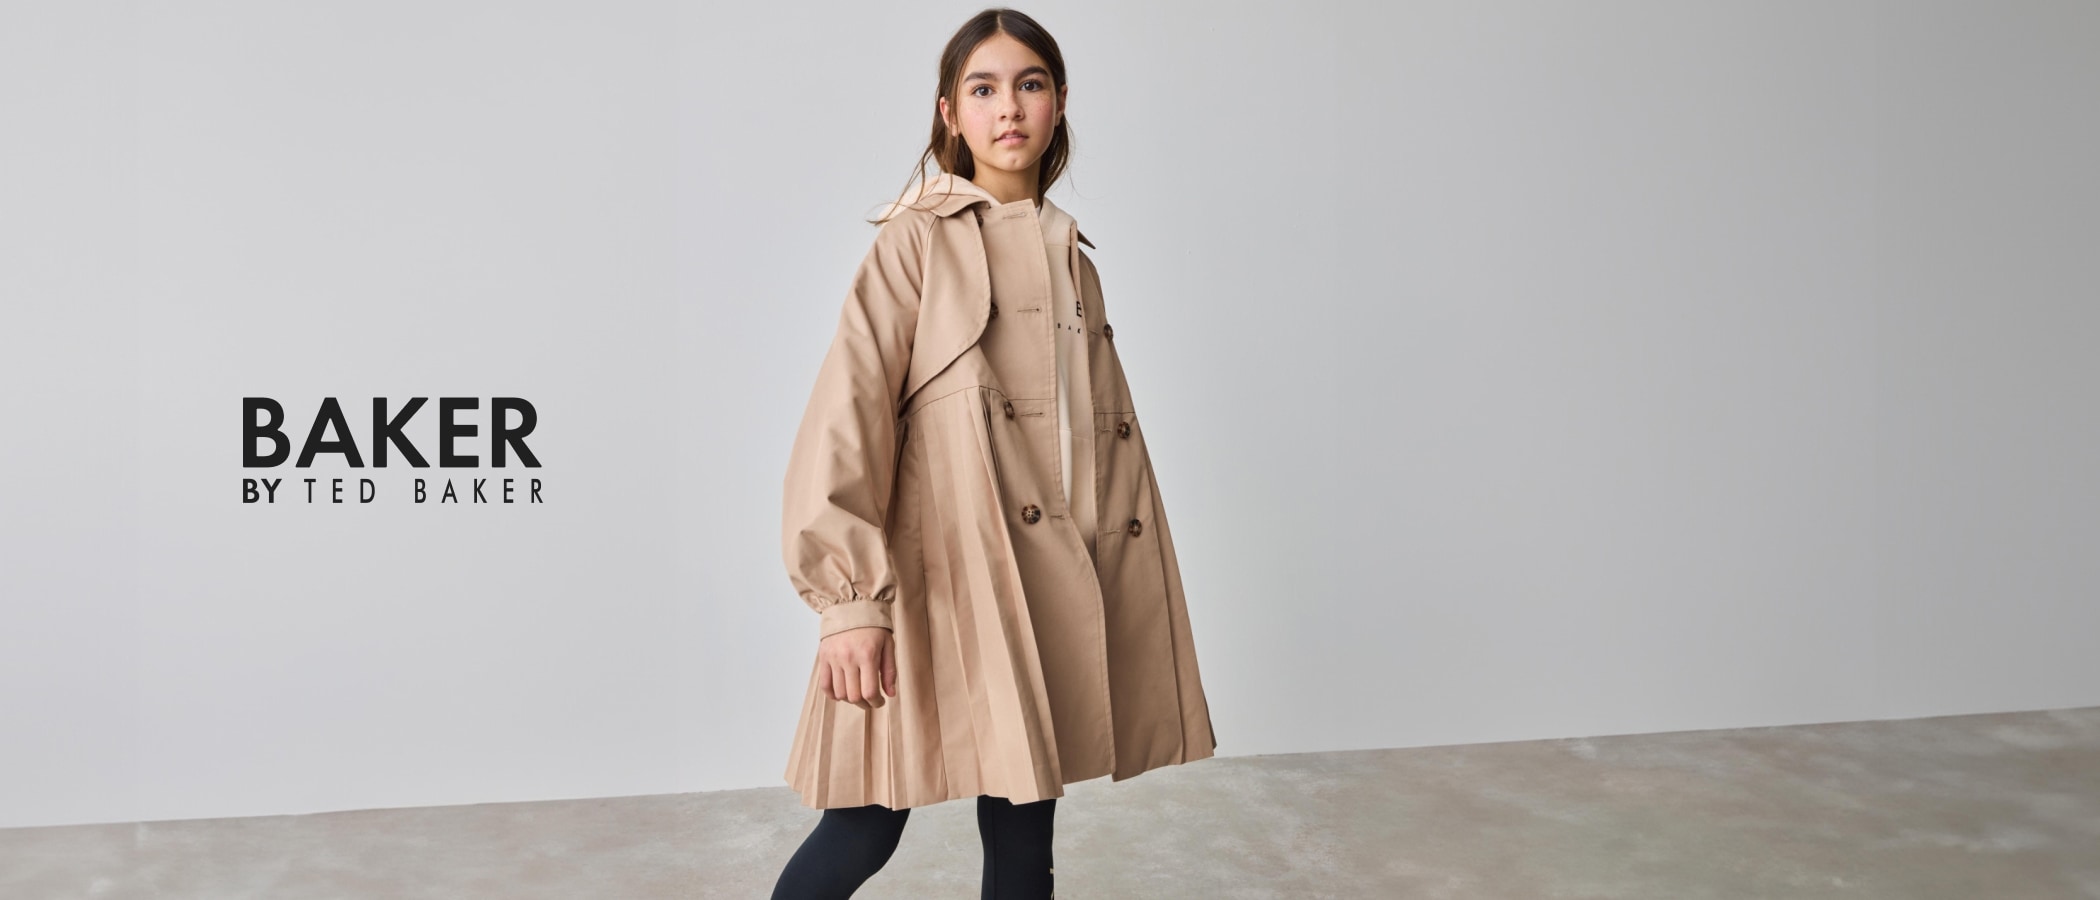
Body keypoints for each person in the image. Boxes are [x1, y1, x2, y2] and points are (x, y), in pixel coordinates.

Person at [772, 8, 1218, 899]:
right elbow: (848, 414)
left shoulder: (1075, 260)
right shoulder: (915, 242)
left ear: (1059, 104)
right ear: (950, 113)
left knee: (1024, 831)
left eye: (1029, 84)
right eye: (983, 88)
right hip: (934, 579)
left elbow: (1088, 441)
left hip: (1045, 582)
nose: (1008, 107)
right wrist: (848, 603)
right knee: (864, 821)